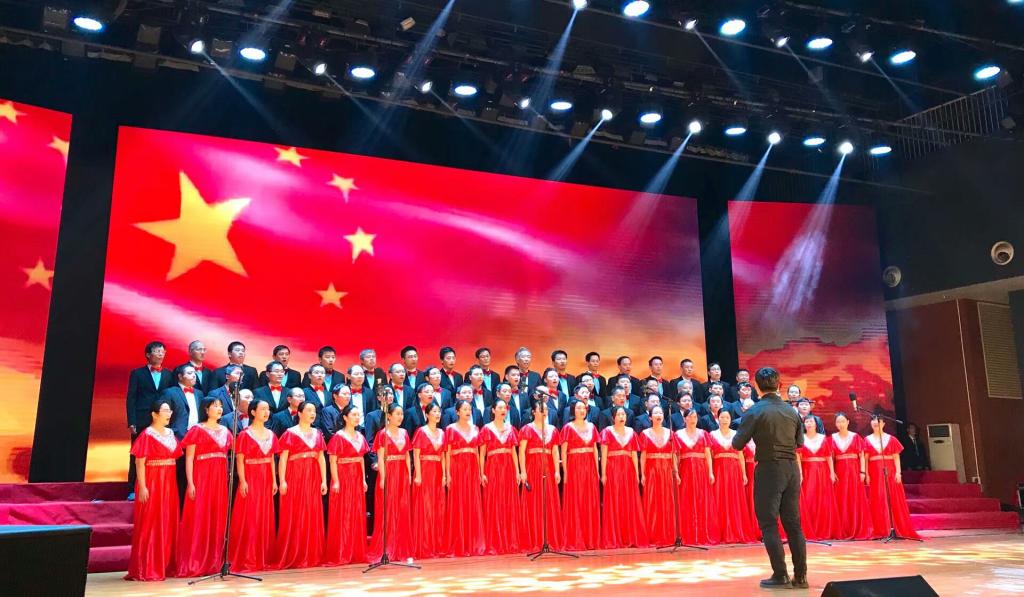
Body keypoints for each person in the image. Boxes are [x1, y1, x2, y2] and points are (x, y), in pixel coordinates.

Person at [731, 367, 808, 589]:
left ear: (756, 386)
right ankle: (801, 577)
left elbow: (737, 444)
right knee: (793, 524)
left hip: (769, 469)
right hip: (791, 468)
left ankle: (780, 574)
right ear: (779, 385)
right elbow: (800, 443)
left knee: (768, 522)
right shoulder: (792, 411)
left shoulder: (755, 411)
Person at [125, 400, 181, 581]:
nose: (169, 413)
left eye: (169, 410)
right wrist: (142, 486)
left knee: (167, 519)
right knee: (151, 521)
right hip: (153, 481)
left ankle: (164, 564)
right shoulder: (147, 435)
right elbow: (139, 463)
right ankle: (147, 565)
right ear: (154, 414)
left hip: (169, 481)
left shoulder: (171, 434)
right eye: (165, 410)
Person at [175, 397, 231, 577]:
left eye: (220, 406)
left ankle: (215, 561)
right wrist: (191, 482)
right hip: (202, 476)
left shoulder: (226, 431)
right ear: (206, 410)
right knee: (200, 515)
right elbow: (189, 458)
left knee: (217, 516)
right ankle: (196, 560)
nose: (219, 409)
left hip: (219, 478)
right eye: (215, 406)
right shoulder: (197, 430)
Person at [227, 398, 279, 573]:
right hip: (251, 476)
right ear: (253, 412)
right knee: (250, 514)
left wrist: (274, 480)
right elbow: (239, 459)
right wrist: (242, 480)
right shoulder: (245, 434)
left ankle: (263, 555)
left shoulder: (271, 434)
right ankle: (247, 555)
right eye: (262, 409)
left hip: (266, 478)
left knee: (264, 513)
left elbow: (271, 459)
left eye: (268, 409)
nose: (266, 412)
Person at [274, 401, 327, 569]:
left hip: (313, 476)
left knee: (312, 511)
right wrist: (282, 480)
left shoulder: (317, 433)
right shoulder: (290, 433)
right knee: (295, 512)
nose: (313, 413)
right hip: (295, 475)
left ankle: (311, 553)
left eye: (314, 411)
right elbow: (283, 459)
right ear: (299, 413)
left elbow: (321, 458)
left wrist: (324, 480)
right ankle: (294, 552)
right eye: (309, 410)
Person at [367, 404, 415, 562]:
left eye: (401, 414)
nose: (400, 417)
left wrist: (409, 474)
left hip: (402, 472)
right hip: (389, 472)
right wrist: (383, 477)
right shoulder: (382, 434)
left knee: (402, 508)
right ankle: (388, 547)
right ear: (389, 416)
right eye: (397, 414)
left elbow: (407, 455)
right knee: (389, 508)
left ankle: (402, 546)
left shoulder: (404, 432)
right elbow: (380, 458)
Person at [126, 342, 175, 495]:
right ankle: (132, 489)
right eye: (157, 351)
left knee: (160, 454)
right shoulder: (137, 373)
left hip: (162, 420)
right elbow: (131, 398)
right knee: (138, 454)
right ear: (148, 354)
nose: (160, 354)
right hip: (142, 419)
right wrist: (132, 421)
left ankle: (157, 488)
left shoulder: (169, 374)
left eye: (162, 351)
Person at [324, 404, 370, 566]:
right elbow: (332, 460)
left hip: (356, 476)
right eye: (354, 415)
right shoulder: (338, 436)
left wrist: (363, 479)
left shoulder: (360, 436)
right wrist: (336, 480)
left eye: (358, 415)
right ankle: (342, 550)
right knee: (343, 512)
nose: (357, 418)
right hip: (343, 476)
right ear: (345, 417)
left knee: (356, 511)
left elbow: (361, 459)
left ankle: (356, 550)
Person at [519, 395, 565, 551]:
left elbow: (555, 451)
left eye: (546, 409)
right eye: (541, 409)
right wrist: (523, 472)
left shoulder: (553, 429)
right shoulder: (527, 429)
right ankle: (534, 538)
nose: (545, 412)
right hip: (532, 467)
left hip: (548, 467)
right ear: (534, 412)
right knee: (534, 501)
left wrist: (557, 471)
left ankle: (550, 538)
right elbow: (522, 452)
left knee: (548, 501)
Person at [864, 417, 921, 540]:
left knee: (892, 497)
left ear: (883, 423)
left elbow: (896, 457)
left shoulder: (891, 439)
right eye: (873, 421)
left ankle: (895, 527)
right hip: (874, 473)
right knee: (878, 498)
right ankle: (881, 529)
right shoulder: (867, 440)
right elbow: (866, 459)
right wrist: (866, 474)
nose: (875, 423)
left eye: (878, 421)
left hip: (890, 472)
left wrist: (898, 473)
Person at [599, 405, 648, 549]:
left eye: (623, 414)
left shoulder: (631, 432)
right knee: (614, 500)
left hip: (628, 469)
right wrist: (603, 474)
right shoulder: (607, 431)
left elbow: (634, 454)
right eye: (619, 415)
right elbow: (604, 454)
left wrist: (637, 473)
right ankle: (615, 537)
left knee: (629, 501)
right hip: (613, 469)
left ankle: (630, 536)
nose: (622, 417)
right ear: (613, 417)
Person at [443, 400, 486, 557]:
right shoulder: (450, 429)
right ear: (457, 412)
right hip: (457, 469)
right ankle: (458, 542)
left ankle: (473, 542)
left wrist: (480, 472)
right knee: (458, 502)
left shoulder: (475, 428)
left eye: (469, 409)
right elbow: (447, 453)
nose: (468, 411)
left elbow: (477, 452)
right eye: (464, 409)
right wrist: (447, 474)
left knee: (472, 502)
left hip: (472, 469)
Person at [708, 410, 758, 544]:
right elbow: (710, 456)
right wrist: (710, 472)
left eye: (727, 417)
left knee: (734, 498)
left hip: (734, 470)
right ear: (718, 418)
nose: (724, 419)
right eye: (722, 417)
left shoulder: (736, 434)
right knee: (719, 498)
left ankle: (736, 530)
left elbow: (740, 455)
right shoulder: (712, 434)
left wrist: (743, 473)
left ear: (730, 420)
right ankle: (720, 531)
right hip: (719, 469)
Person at [480, 399, 521, 555]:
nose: (503, 410)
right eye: (500, 407)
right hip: (493, 467)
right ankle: (495, 541)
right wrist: (482, 472)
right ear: (493, 410)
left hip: (508, 467)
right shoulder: (486, 428)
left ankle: (510, 540)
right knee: (494, 502)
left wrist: (517, 471)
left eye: (505, 407)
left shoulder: (511, 428)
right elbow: (482, 453)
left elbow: (514, 452)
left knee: (509, 501)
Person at [560, 399, 600, 551]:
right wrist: (565, 472)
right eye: (578, 408)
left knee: (590, 500)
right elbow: (563, 451)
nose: (582, 410)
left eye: (584, 408)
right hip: (574, 466)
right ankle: (575, 538)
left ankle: (591, 539)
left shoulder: (592, 427)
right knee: (576, 500)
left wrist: (597, 471)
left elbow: (595, 449)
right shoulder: (568, 428)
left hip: (589, 466)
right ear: (573, 411)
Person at [674, 409, 718, 545]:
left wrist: (710, 472)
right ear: (685, 419)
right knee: (686, 499)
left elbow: (707, 454)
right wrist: (676, 472)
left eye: (695, 416)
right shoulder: (678, 434)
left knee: (702, 498)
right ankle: (688, 533)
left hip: (701, 470)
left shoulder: (703, 434)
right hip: (685, 470)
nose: (693, 419)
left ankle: (703, 532)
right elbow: (675, 455)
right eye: (690, 416)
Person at [829, 412, 875, 541]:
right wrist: (832, 472)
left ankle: (858, 528)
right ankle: (843, 529)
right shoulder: (832, 438)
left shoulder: (855, 437)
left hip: (854, 471)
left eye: (843, 421)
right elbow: (830, 458)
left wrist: (862, 471)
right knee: (841, 499)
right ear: (835, 424)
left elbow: (862, 455)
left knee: (855, 498)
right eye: (838, 422)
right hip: (840, 472)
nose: (841, 424)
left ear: (848, 422)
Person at [411, 403, 448, 559]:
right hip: (425, 471)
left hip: (438, 471)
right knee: (425, 507)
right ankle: (424, 544)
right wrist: (418, 475)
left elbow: (444, 455)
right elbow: (416, 455)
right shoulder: (421, 431)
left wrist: (445, 474)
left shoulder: (442, 432)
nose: (437, 414)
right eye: (434, 411)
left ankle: (437, 544)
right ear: (426, 414)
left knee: (438, 507)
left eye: (439, 411)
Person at [796, 416, 840, 541]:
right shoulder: (801, 438)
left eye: (811, 421)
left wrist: (832, 472)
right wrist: (800, 473)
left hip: (823, 472)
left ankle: (824, 530)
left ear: (816, 424)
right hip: (808, 471)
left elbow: (828, 456)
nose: (809, 424)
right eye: (806, 422)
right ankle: (809, 530)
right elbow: (797, 457)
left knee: (823, 500)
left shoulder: (823, 438)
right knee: (809, 500)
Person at [640, 405, 676, 546]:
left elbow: (674, 454)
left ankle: (669, 533)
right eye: (655, 413)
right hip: (652, 470)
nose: (658, 415)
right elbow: (643, 455)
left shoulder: (670, 433)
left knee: (668, 500)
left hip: (667, 470)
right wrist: (642, 474)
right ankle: (653, 534)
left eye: (660, 412)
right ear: (650, 417)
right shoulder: (645, 433)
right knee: (652, 501)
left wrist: (676, 472)